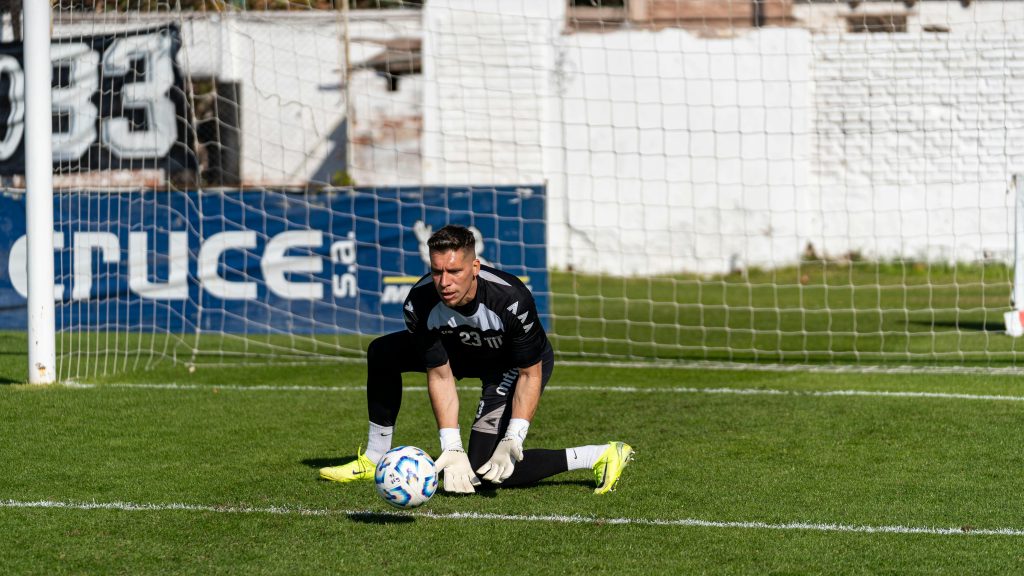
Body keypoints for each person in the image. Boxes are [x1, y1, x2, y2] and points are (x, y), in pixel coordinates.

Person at [319, 224, 633, 494]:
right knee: (382, 351)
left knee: (484, 469)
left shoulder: (511, 300)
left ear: (475, 268)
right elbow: (440, 375)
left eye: (454, 271)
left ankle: (598, 455)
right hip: (459, 352)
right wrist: (451, 446)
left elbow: (530, 374)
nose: (444, 282)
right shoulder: (419, 303)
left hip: (509, 366)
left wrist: (514, 436)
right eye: (437, 271)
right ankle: (375, 457)